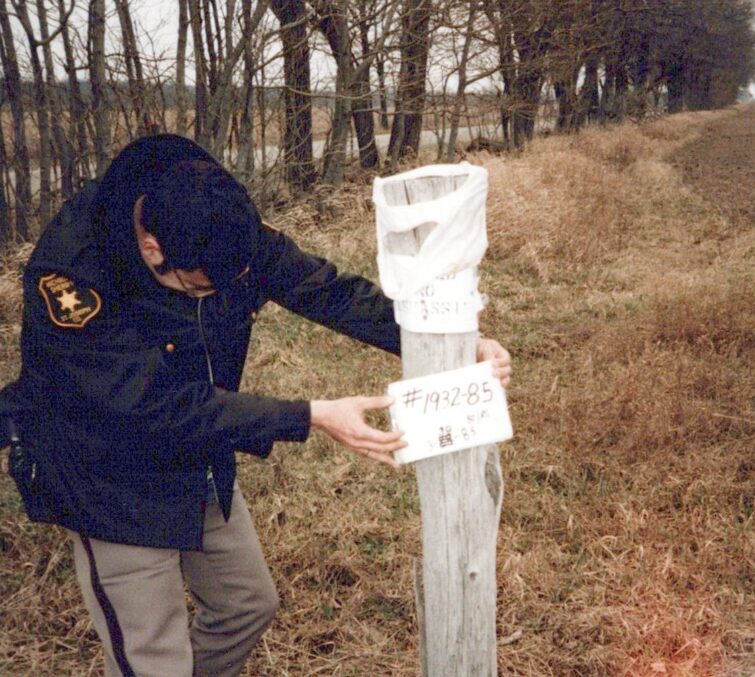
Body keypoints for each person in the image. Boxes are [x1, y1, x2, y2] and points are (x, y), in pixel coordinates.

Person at [0, 134, 511, 676]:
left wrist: (459, 343)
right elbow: (150, 405)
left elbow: (326, 291)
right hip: (107, 474)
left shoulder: (222, 226)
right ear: (152, 248)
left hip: (196, 458)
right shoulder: (74, 274)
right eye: (200, 288)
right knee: (154, 656)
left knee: (247, 606)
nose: (215, 295)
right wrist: (310, 415)